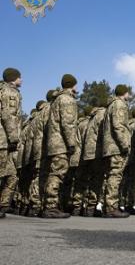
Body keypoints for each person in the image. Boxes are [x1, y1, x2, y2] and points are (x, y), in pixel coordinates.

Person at [42, 74, 78, 218]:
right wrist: (71, 143)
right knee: (57, 174)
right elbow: (68, 123)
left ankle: (50, 206)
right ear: (72, 85)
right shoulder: (67, 99)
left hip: (54, 143)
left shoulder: (57, 99)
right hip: (61, 143)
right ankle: (50, 207)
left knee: (54, 173)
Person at [101, 84, 131, 218]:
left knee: (112, 176)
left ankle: (109, 206)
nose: (129, 95)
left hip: (110, 146)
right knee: (115, 176)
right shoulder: (119, 104)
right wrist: (125, 144)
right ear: (124, 93)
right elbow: (118, 126)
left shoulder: (111, 105)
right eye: (128, 93)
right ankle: (111, 207)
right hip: (116, 147)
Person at [0, 68, 23, 219]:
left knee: (12, 175)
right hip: (4, 140)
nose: (21, 79)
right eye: (20, 77)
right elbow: (8, 115)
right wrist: (14, 137)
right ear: (13, 78)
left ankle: (2, 206)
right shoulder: (10, 92)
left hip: (6, 141)